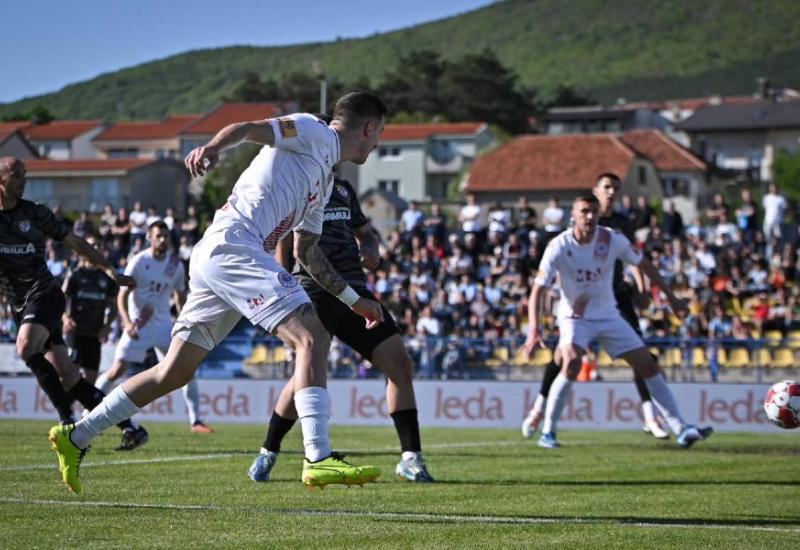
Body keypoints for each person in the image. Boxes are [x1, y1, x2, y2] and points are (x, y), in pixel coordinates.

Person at [48, 91, 387, 494]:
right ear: (368, 129)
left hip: (221, 257)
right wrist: (211, 148)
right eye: (380, 133)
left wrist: (355, 300)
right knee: (312, 335)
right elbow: (248, 129)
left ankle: (77, 436)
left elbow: (306, 253)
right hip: (233, 246)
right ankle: (318, 458)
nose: (378, 142)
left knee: (173, 373)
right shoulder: (314, 130)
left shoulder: (325, 180)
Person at [248, 176, 433, 483]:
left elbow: (365, 233)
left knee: (400, 364)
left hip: (355, 292)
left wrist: (371, 247)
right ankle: (269, 450)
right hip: (312, 292)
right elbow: (284, 242)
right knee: (302, 380)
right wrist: (285, 290)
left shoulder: (344, 188)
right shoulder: (296, 184)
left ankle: (411, 458)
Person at [521, 193, 712, 449]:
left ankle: (681, 428)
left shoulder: (611, 239)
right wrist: (534, 329)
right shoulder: (559, 245)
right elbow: (537, 290)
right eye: (584, 211)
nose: (589, 216)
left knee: (648, 364)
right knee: (572, 362)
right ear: (573, 216)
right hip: (574, 317)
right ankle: (548, 432)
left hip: (608, 314)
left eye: (593, 212)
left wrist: (672, 298)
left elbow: (645, 265)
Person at [0, 157, 140, 441]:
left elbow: (77, 244)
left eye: (25, 175)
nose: (23, 181)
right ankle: (129, 427)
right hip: (20, 305)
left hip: (45, 295)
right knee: (68, 376)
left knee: (26, 347)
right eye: (17, 175)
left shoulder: (36, 214)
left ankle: (68, 421)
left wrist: (111, 270)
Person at [94, 220, 213, 434]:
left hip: (164, 327)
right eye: (158, 236)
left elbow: (179, 296)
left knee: (186, 369)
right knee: (116, 370)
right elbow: (122, 295)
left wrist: (184, 319)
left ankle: (196, 421)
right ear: (149, 237)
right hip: (138, 326)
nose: (162, 239)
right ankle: (90, 412)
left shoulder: (175, 266)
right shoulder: (139, 262)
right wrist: (128, 323)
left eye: (165, 236)